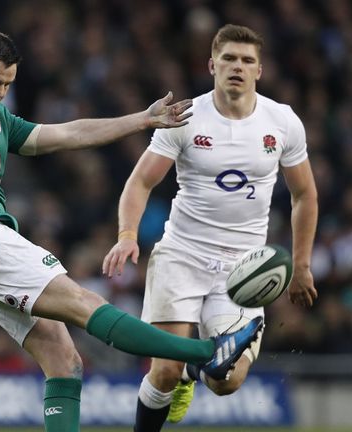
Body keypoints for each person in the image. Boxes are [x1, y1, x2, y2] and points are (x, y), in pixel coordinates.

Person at [0, 30, 263, 432]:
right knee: (83, 302)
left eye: (8, 84)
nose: (0, 92)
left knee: (64, 360)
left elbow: (68, 134)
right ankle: (206, 352)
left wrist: (142, 120)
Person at [101, 24, 319, 431]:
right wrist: (127, 235)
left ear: (260, 70)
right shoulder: (187, 118)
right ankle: (179, 374)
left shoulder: (283, 122)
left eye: (247, 60)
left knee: (227, 383)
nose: (238, 66)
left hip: (246, 267)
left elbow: (304, 194)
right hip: (183, 254)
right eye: (229, 58)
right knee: (163, 371)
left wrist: (302, 264)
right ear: (211, 65)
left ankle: (194, 371)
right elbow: (141, 181)